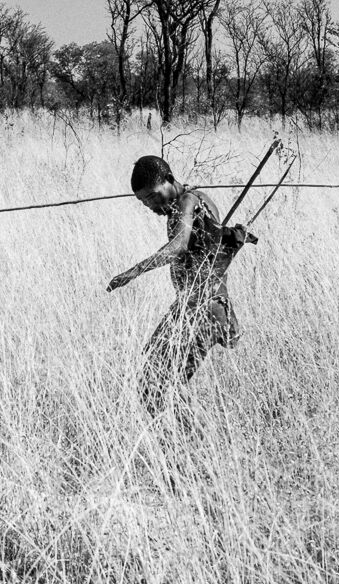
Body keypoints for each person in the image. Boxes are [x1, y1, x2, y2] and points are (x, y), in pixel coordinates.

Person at [107, 155, 249, 417]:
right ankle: (186, 437)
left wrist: (133, 272)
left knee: (158, 385)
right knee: (154, 375)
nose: (150, 205)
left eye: (153, 196)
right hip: (192, 305)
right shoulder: (188, 202)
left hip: (204, 308)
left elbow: (178, 246)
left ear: (170, 180)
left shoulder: (188, 201)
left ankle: (197, 438)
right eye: (144, 201)